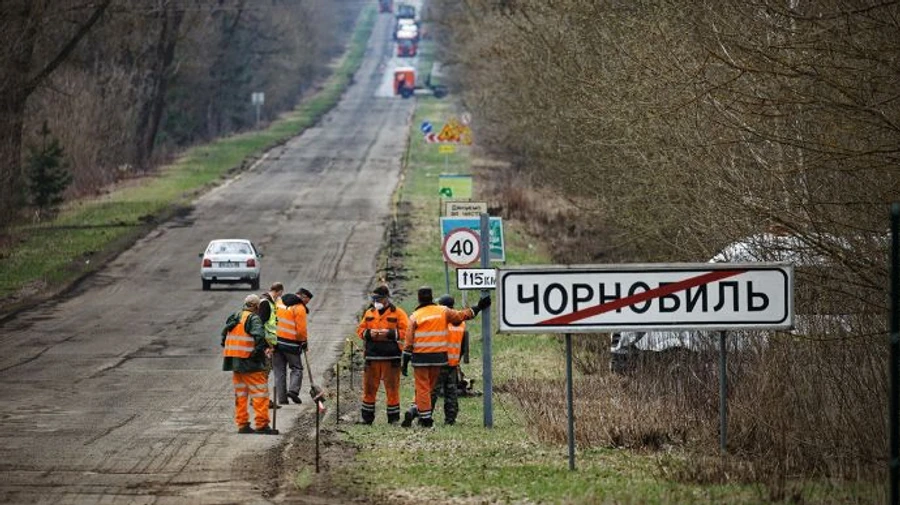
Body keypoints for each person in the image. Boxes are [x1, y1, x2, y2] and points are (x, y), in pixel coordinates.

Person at [401, 286, 490, 428]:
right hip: (442, 360)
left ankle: (423, 416)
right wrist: (478, 307)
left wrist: (405, 360)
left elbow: (409, 341)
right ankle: (438, 417)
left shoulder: (415, 316)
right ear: (431, 298)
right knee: (440, 390)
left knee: (424, 388)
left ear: (419, 299)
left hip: (421, 359)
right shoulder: (445, 313)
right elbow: (462, 317)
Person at [221, 294, 277, 434]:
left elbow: (224, 336)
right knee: (260, 394)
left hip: (235, 363)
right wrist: (258, 353)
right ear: (256, 306)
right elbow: (259, 336)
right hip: (250, 364)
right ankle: (262, 425)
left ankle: (242, 424)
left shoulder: (235, 316)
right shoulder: (253, 318)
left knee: (241, 395)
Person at [356, 285, 409, 424]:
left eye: (379, 299)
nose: (376, 301)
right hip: (372, 357)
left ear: (386, 299)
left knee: (392, 389)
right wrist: (369, 333)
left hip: (391, 358)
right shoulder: (369, 313)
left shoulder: (398, 313)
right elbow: (360, 330)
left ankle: (393, 419)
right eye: (374, 299)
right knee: (369, 389)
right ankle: (366, 419)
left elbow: (407, 332)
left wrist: (390, 333)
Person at [431, 294, 468, 425]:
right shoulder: (461, 323)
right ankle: (450, 419)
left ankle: (425, 417)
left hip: (439, 362)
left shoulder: (441, 321)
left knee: (433, 391)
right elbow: (463, 347)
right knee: (451, 392)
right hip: (453, 363)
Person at [274, 287, 313, 405]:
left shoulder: (279, 302)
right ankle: (293, 391)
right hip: (291, 344)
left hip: (276, 342)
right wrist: (303, 342)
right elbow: (301, 330)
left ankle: (282, 399)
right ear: (302, 296)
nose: (306, 303)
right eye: (307, 300)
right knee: (297, 368)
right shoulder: (299, 308)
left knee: (279, 371)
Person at [258, 282, 284, 409]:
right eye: (281, 294)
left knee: (264, 373)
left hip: (269, 343)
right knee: (264, 373)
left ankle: (258, 399)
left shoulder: (269, 302)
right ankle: (262, 400)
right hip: (265, 345)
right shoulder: (265, 303)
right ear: (279, 291)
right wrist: (265, 346)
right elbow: (261, 325)